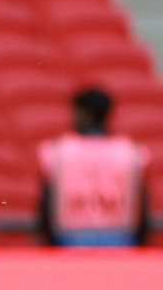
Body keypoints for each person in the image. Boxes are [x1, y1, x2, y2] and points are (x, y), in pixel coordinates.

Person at [37, 86, 151, 246]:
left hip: (69, 238)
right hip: (121, 238)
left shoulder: (56, 152)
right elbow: (142, 208)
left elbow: (45, 207)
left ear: (84, 114)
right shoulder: (132, 153)